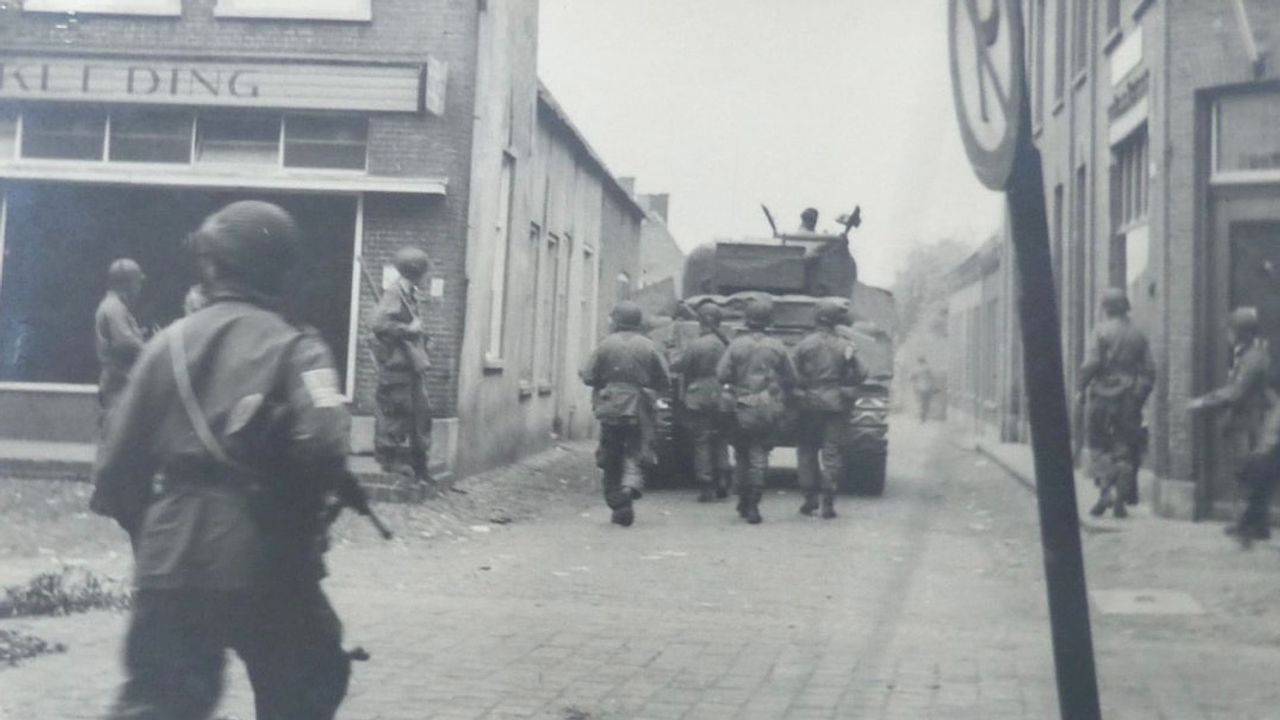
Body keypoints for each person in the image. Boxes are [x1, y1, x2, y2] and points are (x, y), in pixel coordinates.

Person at [89, 201, 356, 719]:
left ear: (210, 266)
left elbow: (115, 467)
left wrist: (158, 529)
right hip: (270, 557)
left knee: (158, 703)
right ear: (283, 269)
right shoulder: (299, 348)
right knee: (308, 682)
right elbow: (325, 444)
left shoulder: (164, 346)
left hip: (171, 560)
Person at [1189, 307, 1280, 545]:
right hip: (1247, 422)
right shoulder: (1248, 355)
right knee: (1251, 472)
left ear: (1241, 333)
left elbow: (1237, 393)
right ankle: (1257, 525)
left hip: (1252, 425)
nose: (1228, 335)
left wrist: (1203, 401)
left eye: (1231, 330)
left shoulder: (1254, 359)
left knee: (1247, 473)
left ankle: (1245, 525)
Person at [580, 301, 671, 527]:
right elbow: (664, 379)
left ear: (617, 321)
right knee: (637, 448)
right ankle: (630, 486)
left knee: (610, 453)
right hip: (639, 405)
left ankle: (617, 501)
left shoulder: (605, 345)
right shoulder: (649, 346)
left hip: (611, 405)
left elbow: (589, 376)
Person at [717, 295, 796, 524]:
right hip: (767, 406)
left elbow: (722, 374)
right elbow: (791, 377)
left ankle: (743, 499)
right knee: (760, 454)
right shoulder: (778, 346)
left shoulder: (736, 345)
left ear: (747, 319)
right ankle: (754, 502)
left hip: (741, 405)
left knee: (741, 453)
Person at [1079, 288, 1155, 519]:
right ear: (1126, 308)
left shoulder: (1100, 331)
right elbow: (1150, 371)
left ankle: (1105, 491)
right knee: (1124, 448)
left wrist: (1080, 388)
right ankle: (1120, 500)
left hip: (1102, 397)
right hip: (1128, 399)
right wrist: (1137, 395)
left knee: (1098, 446)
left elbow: (1092, 363)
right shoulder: (1138, 334)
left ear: (1106, 308)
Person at [793, 298, 867, 519]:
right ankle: (828, 501)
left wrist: (803, 387)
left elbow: (792, 374)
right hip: (836, 403)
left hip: (809, 403)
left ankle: (809, 498)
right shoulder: (846, 344)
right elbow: (863, 373)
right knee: (831, 452)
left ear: (816, 318)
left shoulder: (804, 344)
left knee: (807, 450)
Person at [371, 247, 434, 485]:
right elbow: (377, 324)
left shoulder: (409, 295)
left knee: (421, 414)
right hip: (396, 368)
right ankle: (392, 463)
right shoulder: (394, 294)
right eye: (424, 272)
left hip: (411, 366)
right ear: (416, 272)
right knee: (396, 412)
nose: (426, 277)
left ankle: (420, 466)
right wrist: (408, 330)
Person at [672, 303, 731, 503]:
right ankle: (723, 478)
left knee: (702, 441)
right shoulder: (724, 343)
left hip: (700, 395)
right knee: (721, 439)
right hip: (722, 394)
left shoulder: (698, 344)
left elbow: (682, 366)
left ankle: (706, 486)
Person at [94, 258, 147, 421]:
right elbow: (125, 343)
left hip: (119, 384)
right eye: (137, 283)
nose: (139, 288)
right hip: (118, 385)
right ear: (127, 284)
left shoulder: (114, 306)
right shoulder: (114, 308)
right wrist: (152, 349)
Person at [909, 356, 938, 423]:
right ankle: (925, 414)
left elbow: (911, 377)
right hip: (928, 387)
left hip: (919, 387)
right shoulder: (928, 368)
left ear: (919, 361)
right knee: (927, 401)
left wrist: (912, 379)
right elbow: (932, 377)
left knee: (920, 401)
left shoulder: (916, 368)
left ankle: (922, 416)